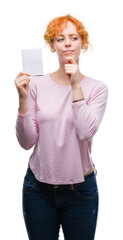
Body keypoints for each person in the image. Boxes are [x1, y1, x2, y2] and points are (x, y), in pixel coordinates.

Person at [14, 14, 108, 240]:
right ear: (52, 45)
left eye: (74, 37)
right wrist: (22, 100)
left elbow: (85, 133)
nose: (67, 43)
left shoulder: (97, 88)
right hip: (38, 189)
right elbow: (26, 142)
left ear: (82, 43)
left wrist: (76, 84)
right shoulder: (35, 83)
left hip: (81, 190)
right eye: (60, 38)